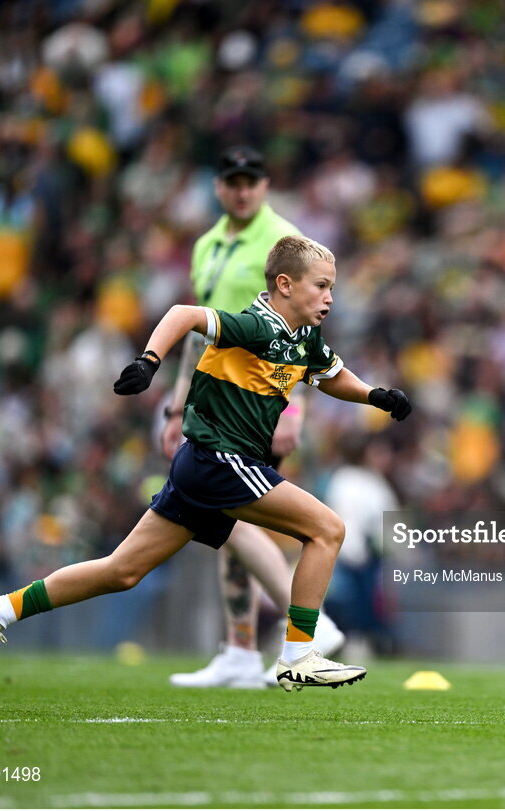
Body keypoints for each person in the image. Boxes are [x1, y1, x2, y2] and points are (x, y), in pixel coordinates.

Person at [0, 235, 412, 691]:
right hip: (220, 460)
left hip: (202, 465)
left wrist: (374, 395)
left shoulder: (304, 338)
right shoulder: (257, 326)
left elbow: (331, 376)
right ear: (285, 285)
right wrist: (149, 361)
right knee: (327, 529)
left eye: (332, 287)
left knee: (122, 571)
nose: (330, 297)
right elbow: (183, 314)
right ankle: (297, 654)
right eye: (321, 286)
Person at [164, 145, 344, 689]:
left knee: (234, 513)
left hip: (261, 401)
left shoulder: (285, 240)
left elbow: (304, 336)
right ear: (218, 186)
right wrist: (178, 404)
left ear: (265, 185)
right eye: (233, 181)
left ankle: (308, 628)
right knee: (230, 519)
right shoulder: (207, 246)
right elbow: (201, 332)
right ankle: (243, 648)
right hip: (215, 399)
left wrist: (298, 403)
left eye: (252, 180)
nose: (243, 190)